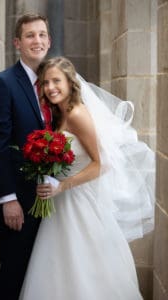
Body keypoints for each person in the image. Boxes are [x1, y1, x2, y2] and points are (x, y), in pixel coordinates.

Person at [19, 57, 155, 299]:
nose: (51, 87)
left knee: (86, 266)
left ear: (70, 83)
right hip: (60, 204)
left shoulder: (77, 114)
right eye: (46, 82)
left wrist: (62, 186)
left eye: (56, 81)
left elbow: (101, 164)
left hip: (79, 201)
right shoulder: (59, 115)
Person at [0, 14, 51, 300]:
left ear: (48, 40)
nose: (36, 40)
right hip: (18, 204)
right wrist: (7, 199)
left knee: (41, 277)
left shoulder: (52, 84)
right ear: (17, 43)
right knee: (14, 274)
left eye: (41, 35)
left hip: (47, 200)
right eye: (29, 35)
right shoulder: (3, 83)